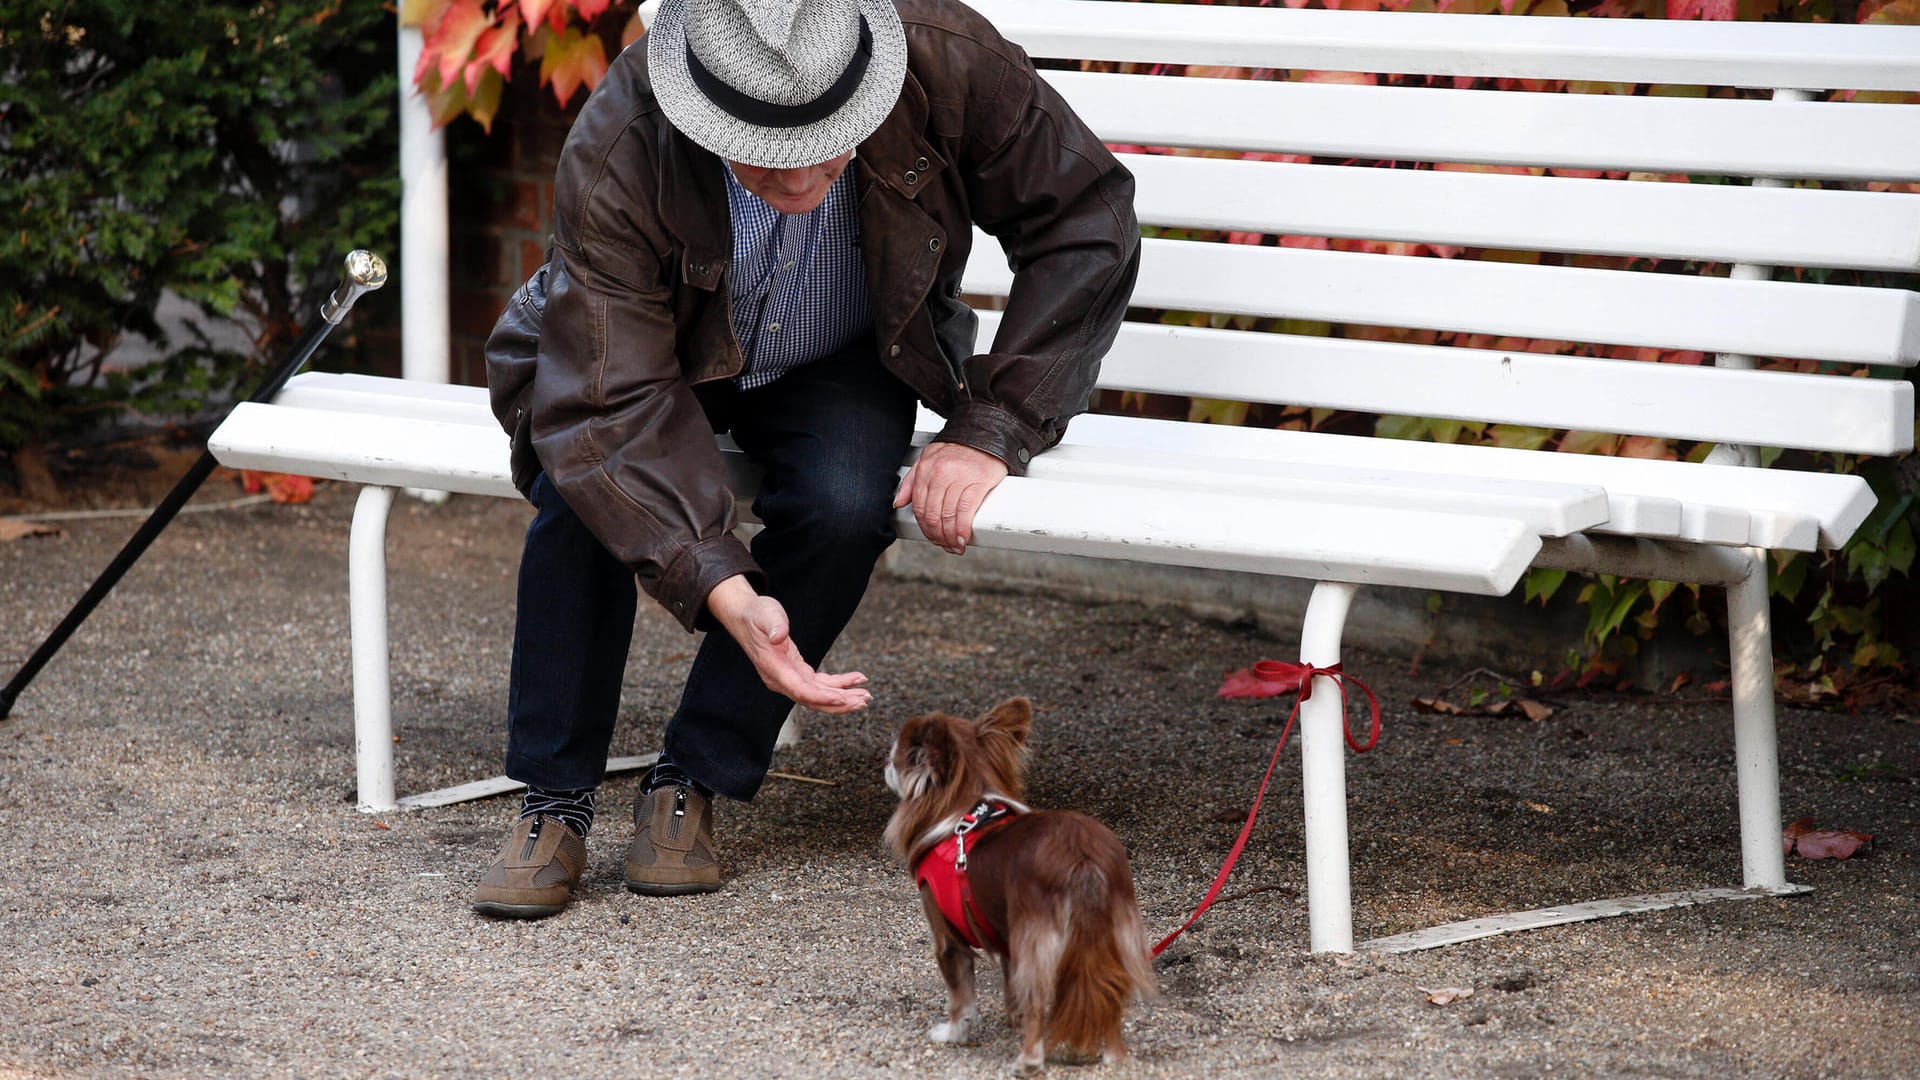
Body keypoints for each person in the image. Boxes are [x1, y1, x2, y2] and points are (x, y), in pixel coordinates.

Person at [471, 0, 1139, 918]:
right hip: (652, 352)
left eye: (834, 138)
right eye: (769, 149)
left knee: (843, 506)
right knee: (580, 494)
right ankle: (552, 797)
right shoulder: (625, 133)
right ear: (703, 114)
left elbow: (1087, 217)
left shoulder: (945, 57)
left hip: (845, 350)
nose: (807, 170)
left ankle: (694, 777)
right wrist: (726, 589)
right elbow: (609, 406)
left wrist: (996, 423)